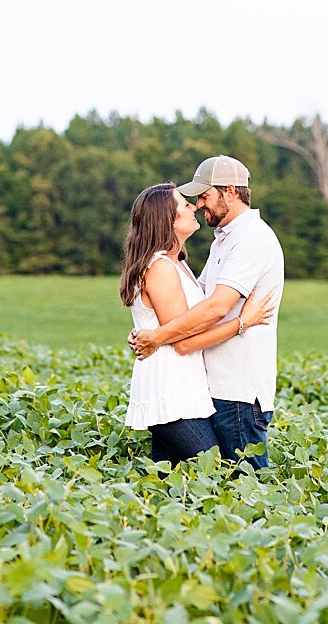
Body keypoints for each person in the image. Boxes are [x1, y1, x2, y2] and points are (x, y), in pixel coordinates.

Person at [129, 155, 285, 470]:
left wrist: (155, 336)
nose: (198, 204)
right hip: (203, 390)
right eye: (192, 200)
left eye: (205, 195)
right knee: (204, 486)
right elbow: (193, 308)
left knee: (241, 493)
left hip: (237, 391)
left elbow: (216, 306)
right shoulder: (220, 243)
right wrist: (148, 325)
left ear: (230, 191)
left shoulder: (251, 239)